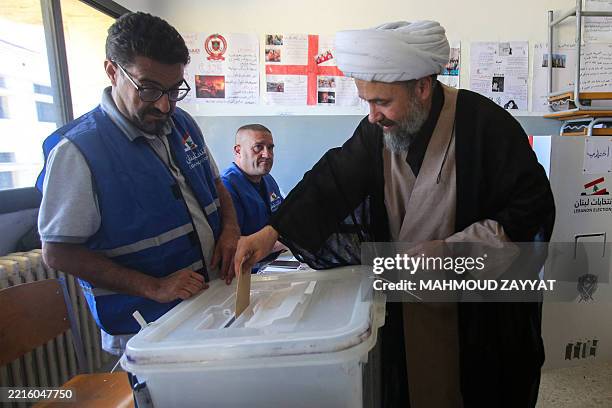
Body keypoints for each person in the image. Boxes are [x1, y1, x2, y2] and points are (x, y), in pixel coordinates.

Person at [234, 21, 555, 407]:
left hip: (478, 318)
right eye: (366, 102)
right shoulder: (377, 132)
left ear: (422, 86)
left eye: (382, 102)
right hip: (405, 314)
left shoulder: (485, 126)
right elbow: (332, 182)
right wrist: (271, 233)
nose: (372, 115)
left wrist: (454, 252)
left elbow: (532, 208)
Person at [35, 12, 240, 355]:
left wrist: (231, 229)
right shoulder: (76, 151)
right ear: (113, 71)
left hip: (207, 305)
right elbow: (57, 251)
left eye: (175, 90)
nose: (164, 104)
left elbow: (216, 184)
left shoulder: (182, 122)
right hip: (147, 327)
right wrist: (154, 286)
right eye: (148, 88)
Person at [221, 124, 283, 236]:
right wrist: (289, 241)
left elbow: (284, 217)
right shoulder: (227, 187)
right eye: (258, 147)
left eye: (270, 148)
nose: (267, 155)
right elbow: (236, 246)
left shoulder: (267, 178)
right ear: (238, 151)